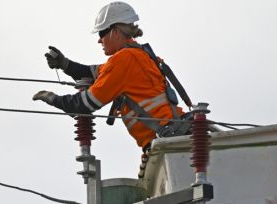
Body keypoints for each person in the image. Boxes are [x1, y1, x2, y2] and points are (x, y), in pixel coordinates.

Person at [33, 1, 190, 152]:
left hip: (168, 140)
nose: (99, 40)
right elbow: (93, 73)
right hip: (172, 134)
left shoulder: (124, 59)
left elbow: (84, 104)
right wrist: (64, 64)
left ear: (115, 30)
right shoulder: (139, 55)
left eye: (102, 33)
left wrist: (52, 98)